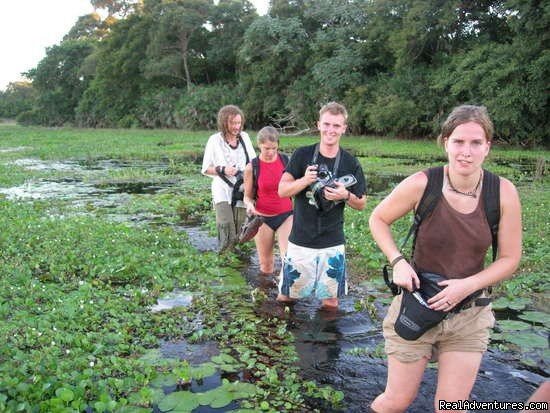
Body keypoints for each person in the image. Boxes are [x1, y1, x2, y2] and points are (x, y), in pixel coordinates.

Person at [368, 105, 522, 413]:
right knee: (397, 402)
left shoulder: (503, 192)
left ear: (487, 147)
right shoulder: (423, 184)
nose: (466, 151)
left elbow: (509, 258)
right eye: (459, 142)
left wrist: (468, 285)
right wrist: (398, 261)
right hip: (418, 306)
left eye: (476, 143)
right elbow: (378, 219)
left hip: (470, 315)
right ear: (445, 142)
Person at [277, 102, 366, 309]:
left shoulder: (350, 163)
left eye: (336, 126)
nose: (330, 130)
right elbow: (282, 190)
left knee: (331, 302)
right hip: (300, 240)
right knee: (286, 297)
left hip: (332, 242)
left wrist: (345, 195)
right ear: (318, 125)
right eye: (327, 124)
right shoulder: (302, 155)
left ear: (344, 128)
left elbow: (361, 203)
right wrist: (305, 180)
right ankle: (282, 339)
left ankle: (326, 342)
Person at [201, 105, 256, 251]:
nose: (236, 126)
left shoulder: (244, 138)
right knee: (226, 225)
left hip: (242, 188)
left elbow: (254, 162)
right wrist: (223, 169)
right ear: (224, 123)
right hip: (222, 189)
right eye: (232, 123)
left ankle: (240, 262)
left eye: (238, 123)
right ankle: (224, 258)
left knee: (240, 229)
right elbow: (206, 168)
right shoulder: (214, 140)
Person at [243, 126, 293, 275]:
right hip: (262, 218)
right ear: (259, 145)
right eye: (266, 148)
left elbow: (295, 186)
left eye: (274, 148)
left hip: (287, 215)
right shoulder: (252, 167)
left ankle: (286, 295)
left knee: (289, 261)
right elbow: (247, 196)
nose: (271, 152)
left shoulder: (286, 161)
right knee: (266, 266)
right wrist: (249, 205)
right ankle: (266, 296)